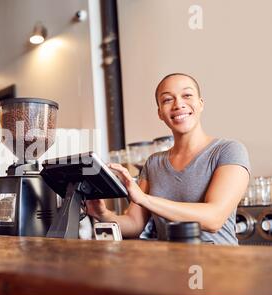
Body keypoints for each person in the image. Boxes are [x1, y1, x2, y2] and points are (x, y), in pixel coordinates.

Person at [87, 73, 250, 245]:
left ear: (201, 104)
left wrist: (144, 198)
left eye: (187, 95)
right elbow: (135, 224)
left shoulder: (228, 150)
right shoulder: (154, 163)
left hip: (220, 265)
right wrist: (102, 214)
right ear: (160, 113)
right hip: (170, 265)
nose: (178, 104)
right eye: (167, 100)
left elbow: (214, 219)